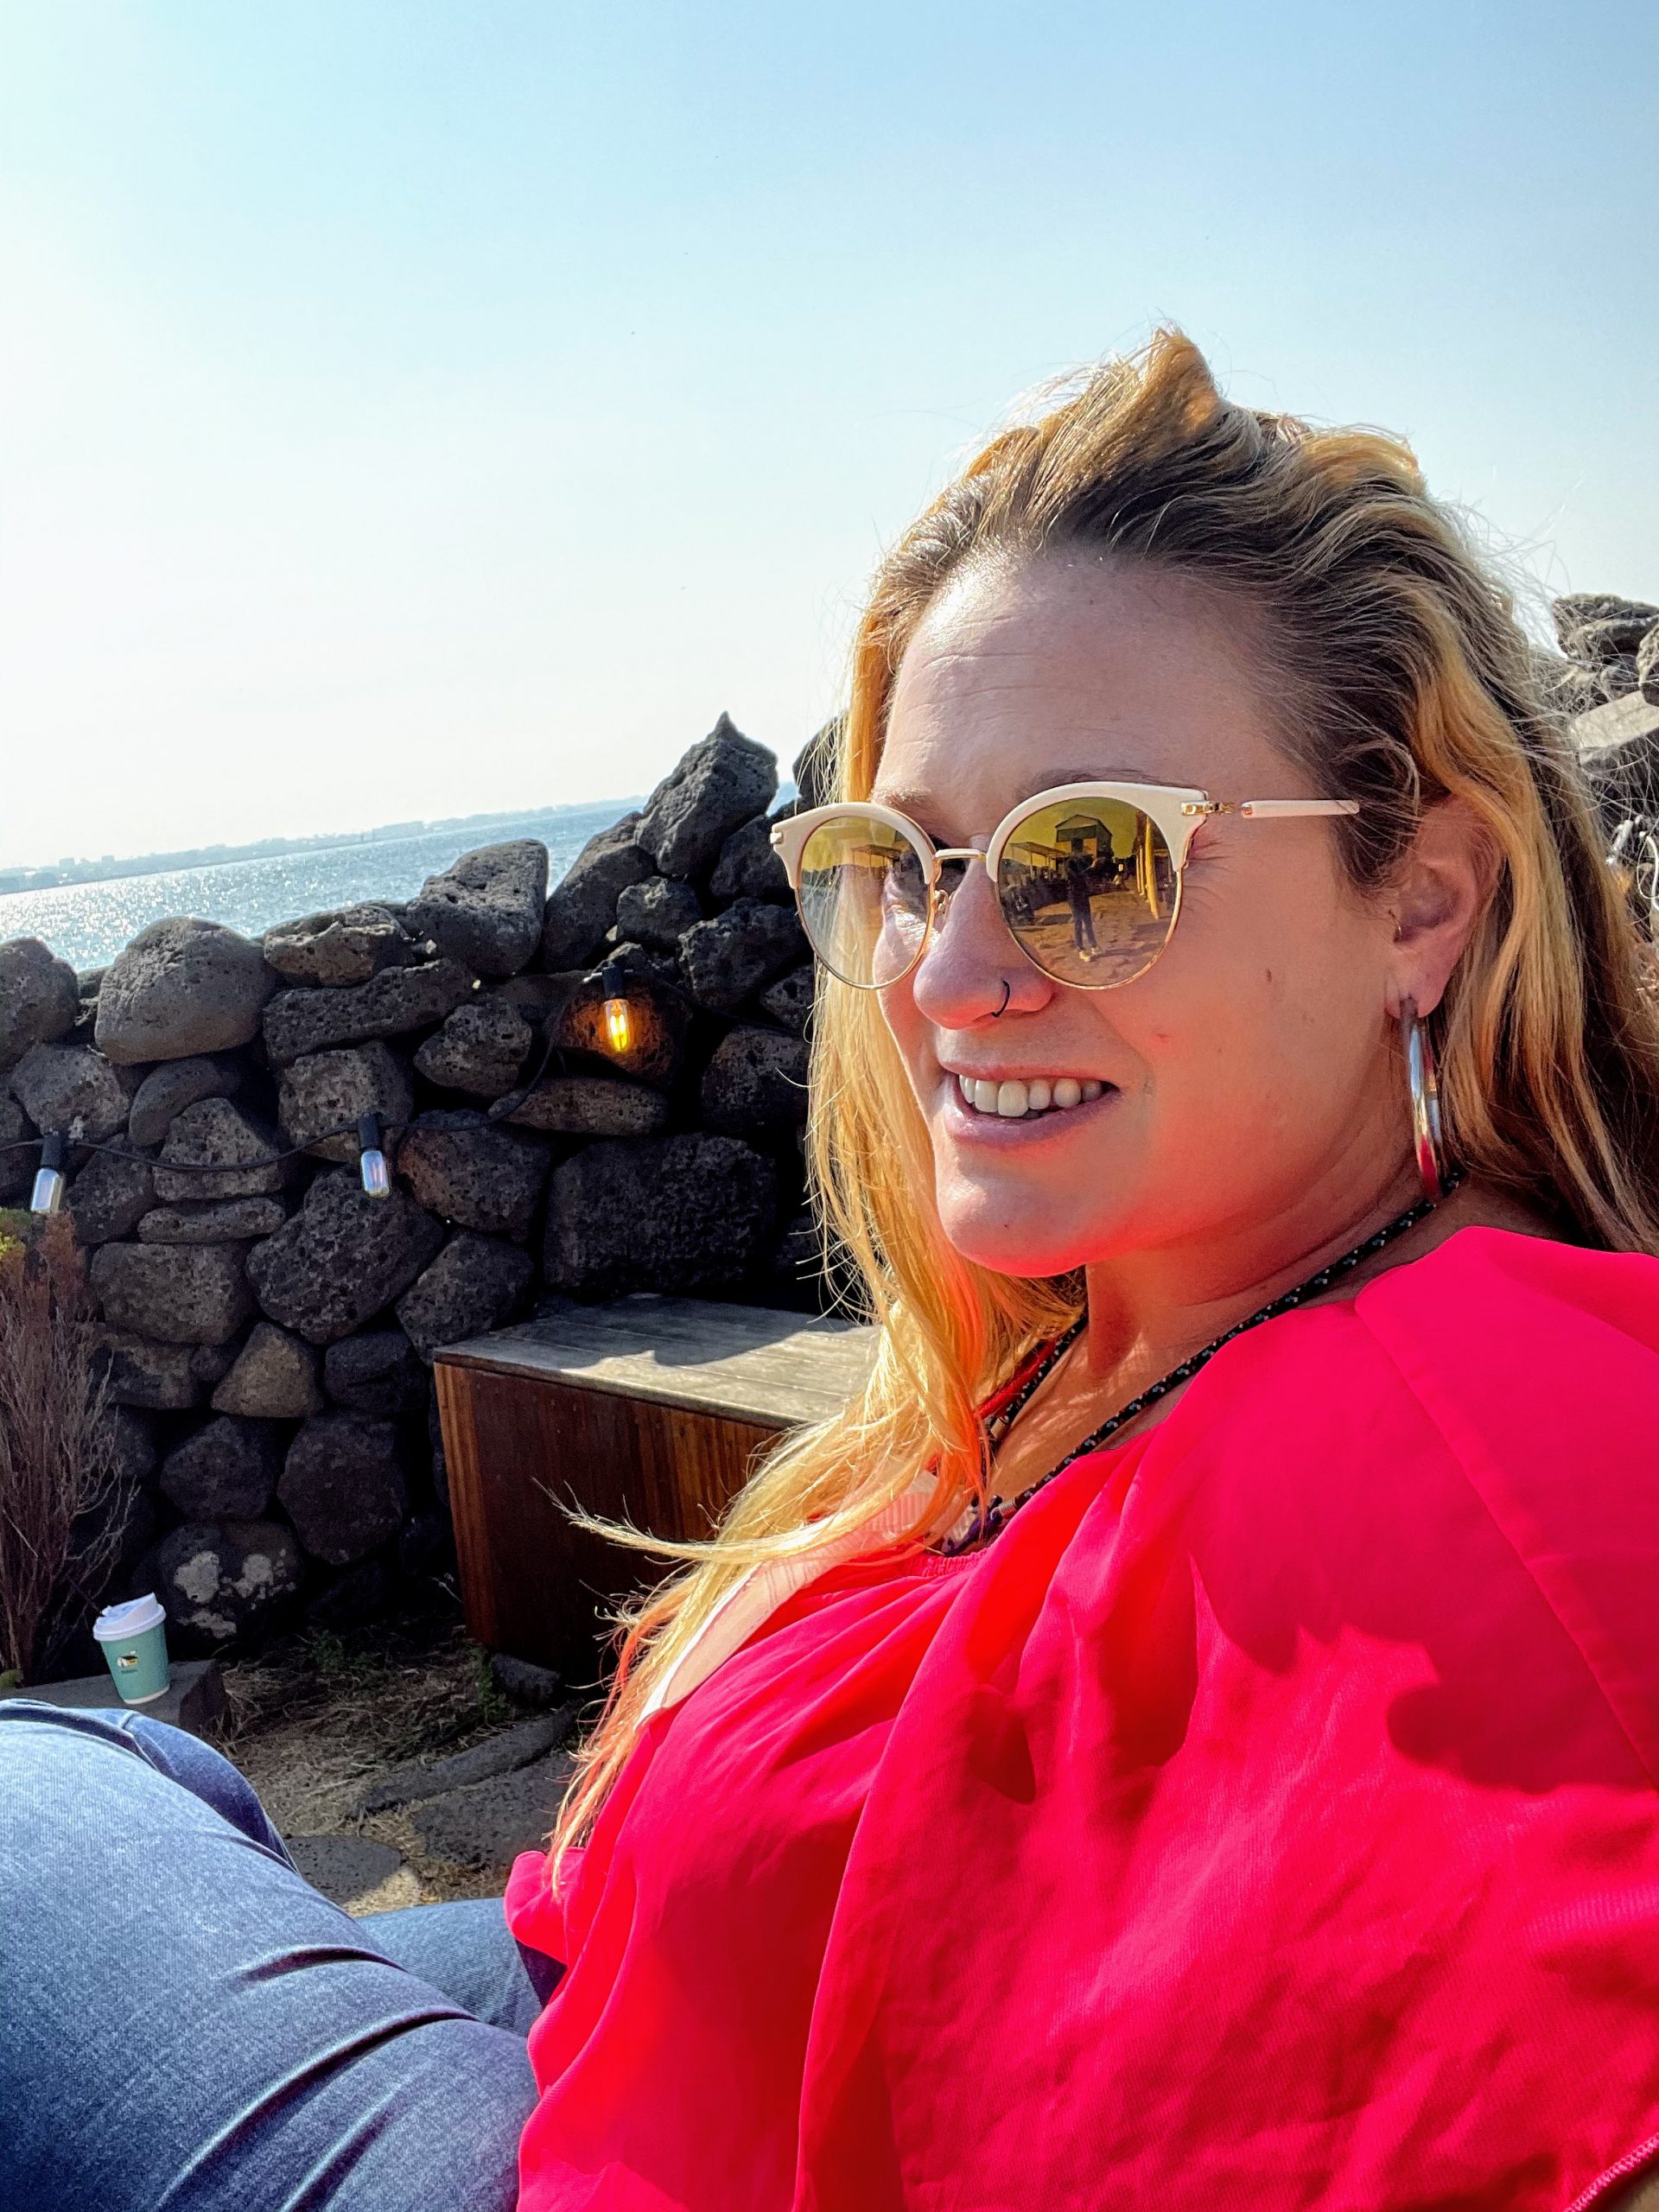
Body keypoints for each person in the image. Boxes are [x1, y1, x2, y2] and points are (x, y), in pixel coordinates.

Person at [8, 326, 1659, 2211]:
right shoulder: (1123, 1315)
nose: (943, 978)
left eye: (1088, 860)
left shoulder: (1506, 1438)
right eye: (905, 859)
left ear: (1422, 899)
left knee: (44, 1797)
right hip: (634, 1997)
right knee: (147, 1785)